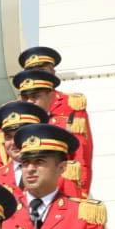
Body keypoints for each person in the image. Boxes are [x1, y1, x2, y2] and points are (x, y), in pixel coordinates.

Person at [15, 46, 94, 193]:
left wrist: (79, 192)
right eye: (32, 71)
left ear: (53, 72)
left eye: (42, 70)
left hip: (61, 182)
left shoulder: (71, 103)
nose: (37, 75)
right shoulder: (17, 109)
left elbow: (81, 154)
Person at [0, 102, 83, 204]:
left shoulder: (62, 171)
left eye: (19, 137)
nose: (14, 143)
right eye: (8, 137)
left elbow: (70, 215)